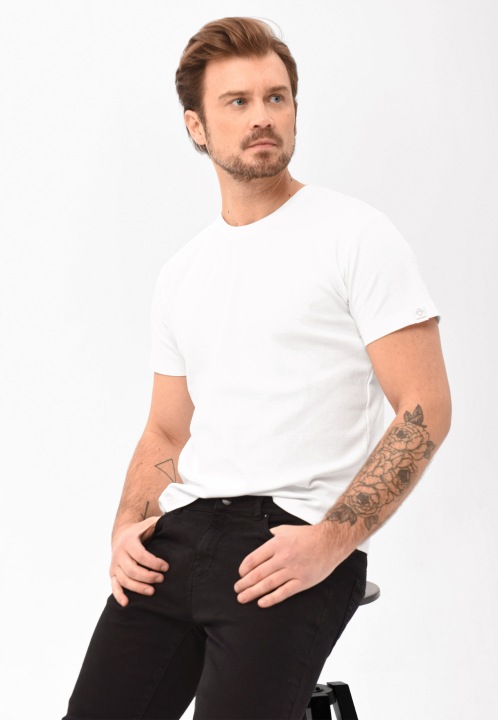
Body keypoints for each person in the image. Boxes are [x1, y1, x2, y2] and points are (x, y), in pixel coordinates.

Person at [63, 16, 451, 720]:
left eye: (276, 97)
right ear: (196, 126)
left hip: (289, 539)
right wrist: (125, 527)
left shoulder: (356, 235)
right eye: (237, 102)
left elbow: (424, 409)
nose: (262, 117)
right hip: (180, 535)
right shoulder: (183, 273)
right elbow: (165, 432)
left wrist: (330, 544)